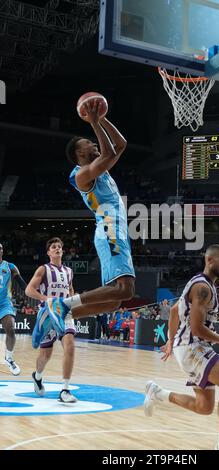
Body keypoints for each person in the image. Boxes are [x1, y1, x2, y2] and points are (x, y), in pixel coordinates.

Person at [37, 100, 135, 341]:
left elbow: (120, 144)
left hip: (116, 229)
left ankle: (63, 315)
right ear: (80, 153)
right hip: (110, 228)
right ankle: (63, 304)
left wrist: (101, 119)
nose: (93, 142)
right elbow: (111, 151)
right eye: (89, 142)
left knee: (114, 302)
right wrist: (93, 122)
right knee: (126, 290)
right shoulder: (82, 175)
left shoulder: (99, 166)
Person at [144, 245, 219, 451]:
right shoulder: (202, 288)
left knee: (204, 407)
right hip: (192, 346)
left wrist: (171, 341)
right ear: (209, 260)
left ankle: (157, 393)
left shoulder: (200, 284)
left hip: (187, 346)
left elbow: (175, 311)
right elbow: (196, 328)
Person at [25, 237, 77, 403]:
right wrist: (45, 298)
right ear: (48, 252)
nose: (57, 249)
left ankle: (65, 389)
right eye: (54, 247)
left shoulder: (69, 271)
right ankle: (37, 375)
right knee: (45, 356)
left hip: (65, 312)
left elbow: (70, 290)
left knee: (70, 345)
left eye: (59, 247)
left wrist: (74, 301)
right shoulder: (43, 269)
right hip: (48, 313)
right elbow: (28, 290)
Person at [0, 242, 27, 375]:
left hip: (4, 303)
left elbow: (20, 282)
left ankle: (9, 358)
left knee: (11, 329)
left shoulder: (9, 267)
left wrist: (30, 291)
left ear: (2, 251)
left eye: (0, 248)